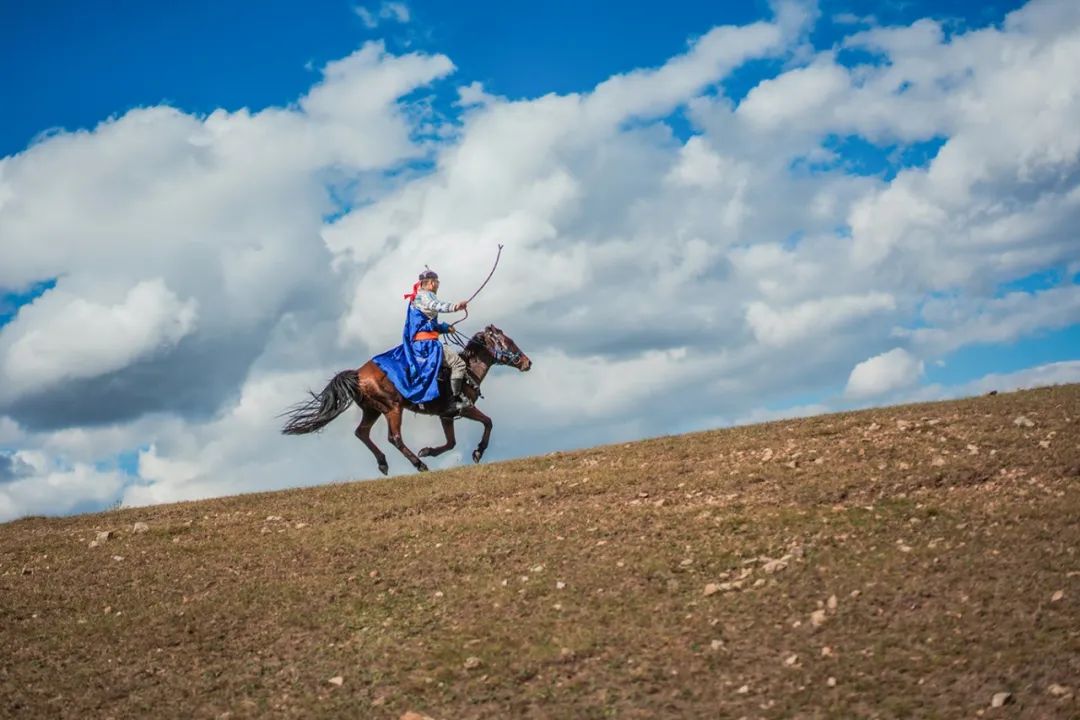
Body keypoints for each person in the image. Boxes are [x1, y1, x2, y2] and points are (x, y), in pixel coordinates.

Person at [372, 269, 472, 413]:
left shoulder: (417, 298)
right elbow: (437, 306)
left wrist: (444, 328)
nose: (438, 286)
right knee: (459, 364)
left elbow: (425, 324)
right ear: (431, 283)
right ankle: (455, 401)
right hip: (427, 346)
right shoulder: (426, 296)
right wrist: (456, 307)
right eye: (437, 283)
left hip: (420, 343)